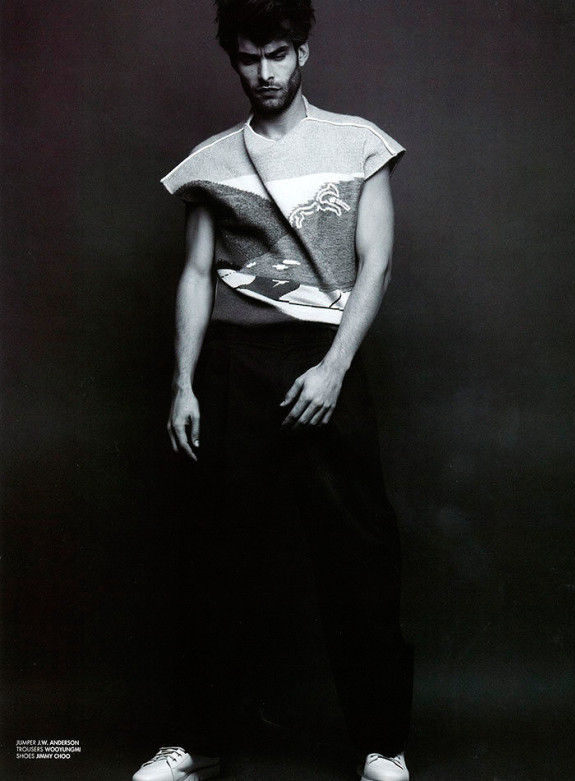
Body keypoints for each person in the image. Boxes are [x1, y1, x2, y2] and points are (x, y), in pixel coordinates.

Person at [133, 2, 413, 779]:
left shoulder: (359, 143)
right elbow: (196, 272)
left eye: (278, 54)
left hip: (327, 356)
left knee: (359, 557)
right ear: (234, 61)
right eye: (250, 58)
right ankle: (196, 743)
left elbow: (377, 262)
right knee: (215, 559)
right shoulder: (212, 160)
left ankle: (382, 744)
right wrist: (183, 384)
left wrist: (334, 367)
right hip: (235, 363)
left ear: (303, 53)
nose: (264, 73)